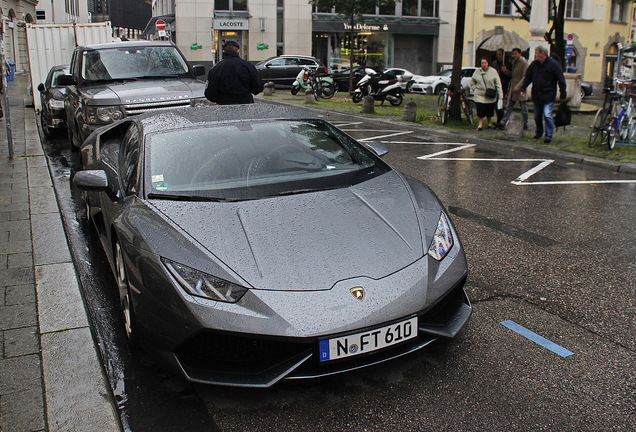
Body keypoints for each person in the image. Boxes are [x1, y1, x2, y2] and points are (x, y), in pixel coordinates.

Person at [520, 46, 567, 143]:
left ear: (543, 54)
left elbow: (561, 80)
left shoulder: (554, 65)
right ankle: (539, 131)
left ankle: (548, 135)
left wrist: (563, 93)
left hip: (548, 94)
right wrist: (523, 88)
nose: (535, 55)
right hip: (537, 95)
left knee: (547, 115)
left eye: (537, 53)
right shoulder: (534, 64)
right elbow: (528, 77)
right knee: (537, 116)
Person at [204, 40, 264, 105]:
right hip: (245, 105)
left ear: (223, 51)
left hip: (224, 106)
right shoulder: (248, 66)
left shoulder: (216, 69)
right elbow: (258, 88)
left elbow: (210, 94)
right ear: (238, 50)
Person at [499, 47, 529, 130]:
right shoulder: (513, 62)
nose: (514, 55)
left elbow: (525, 76)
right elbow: (512, 75)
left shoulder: (523, 62)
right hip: (513, 87)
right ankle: (503, 122)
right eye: (513, 54)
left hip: (520, 88)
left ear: (520, 54)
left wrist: (518, 86)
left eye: (516, 54)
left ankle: (525, 123)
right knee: (509, 106)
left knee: (523, 107)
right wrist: (505, 71)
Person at [471, 57, 503, 131]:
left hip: (490, 94)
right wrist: (475, 88)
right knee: (480, 110)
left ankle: (489, 123)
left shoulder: (493, 72)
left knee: (489, 110)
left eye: (485, 63)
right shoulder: (477, 71)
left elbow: (498, 84)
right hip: (479, 94)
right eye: (482, 63)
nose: (484, 64)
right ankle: (480, 125)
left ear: (488, 63)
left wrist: (500, 96)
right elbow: (472, 81)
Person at [491, 48, 511, 126]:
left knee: (499, 102)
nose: (498, 56)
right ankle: (500, 120)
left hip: (503, 84)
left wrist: (505, 71)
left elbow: (510, 75)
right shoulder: (494, 63)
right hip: (495, 84)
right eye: (497, 54)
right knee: (496, 103)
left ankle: (501, 120)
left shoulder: (507, 63)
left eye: (500, 54)